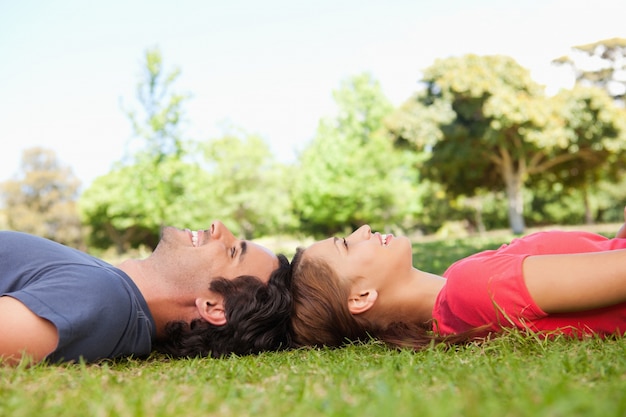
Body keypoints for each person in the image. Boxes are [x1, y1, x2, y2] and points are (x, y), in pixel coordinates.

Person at [290, 207, 626, 350]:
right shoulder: (471, 287)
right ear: (360, 297)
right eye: (346, 245)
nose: (362, 230)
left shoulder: (457, 286)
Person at [0, 221, 292, 365]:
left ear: (214, 307)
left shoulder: (103, 298)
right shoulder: (110, 286)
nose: (218, 226)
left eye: (232, 251)